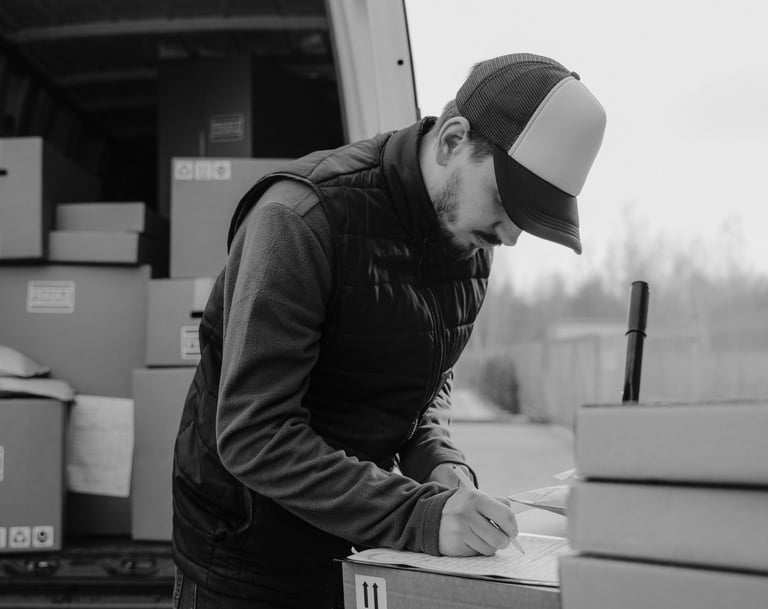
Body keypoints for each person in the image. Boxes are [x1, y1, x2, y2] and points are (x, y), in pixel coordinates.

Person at [171, 52, 606, 609]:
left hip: (363, 548)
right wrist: (419, 515)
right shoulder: (301, 219)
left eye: (529, 218)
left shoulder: (471, 240)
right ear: (452, 140)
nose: (511, 235)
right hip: (246, 562)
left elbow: (425, 383)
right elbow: (255, 432)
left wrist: (441, 463)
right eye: (506, 203)